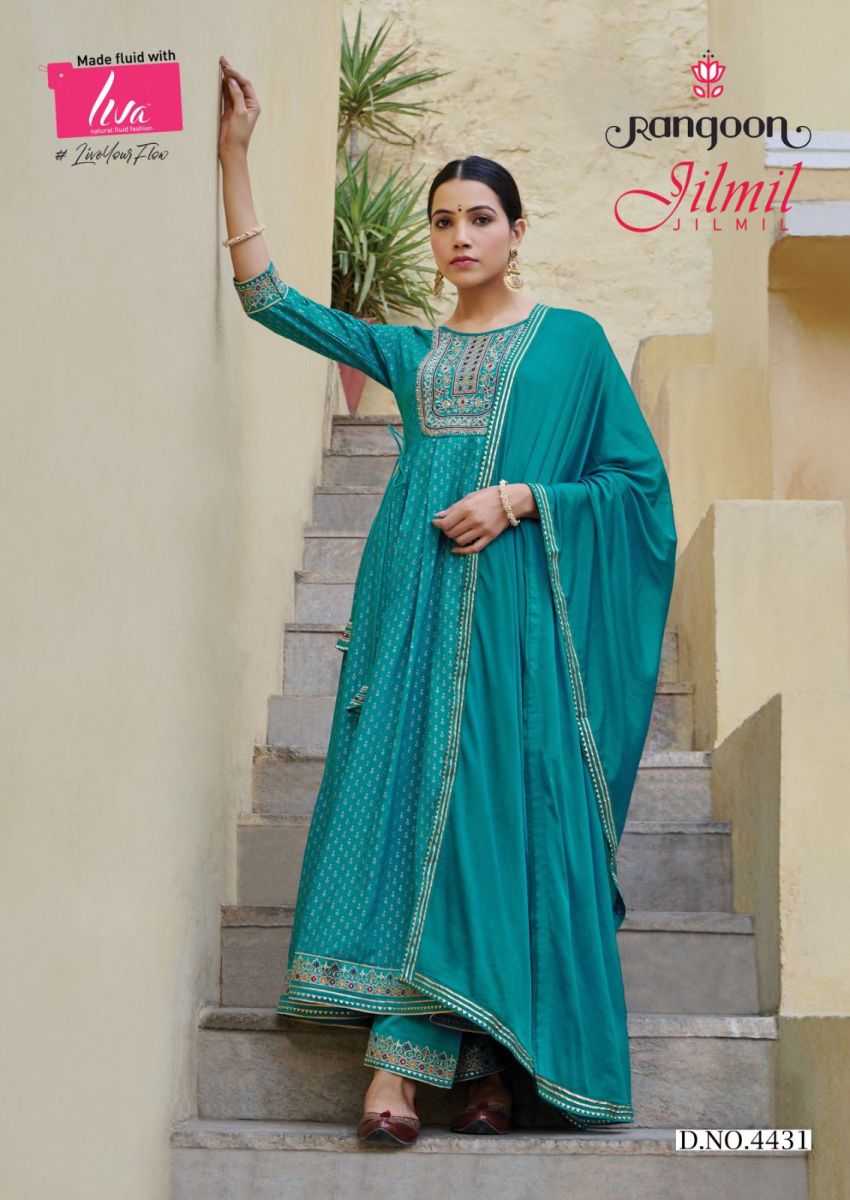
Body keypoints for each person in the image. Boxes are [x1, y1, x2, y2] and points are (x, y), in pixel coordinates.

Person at [218, 55, 677, 1147]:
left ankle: (424, 1066)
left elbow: (639, 492)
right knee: (410, 817)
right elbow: (270, 299)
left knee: (489, 824)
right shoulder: (410, 351)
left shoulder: (572, 345)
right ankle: (458, 1069)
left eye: (479, 218)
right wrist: (236, 156)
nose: (458, 236)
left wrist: (522, 499)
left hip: (520, 631)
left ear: (517, 232)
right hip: (412, 613)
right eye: (441, 221)